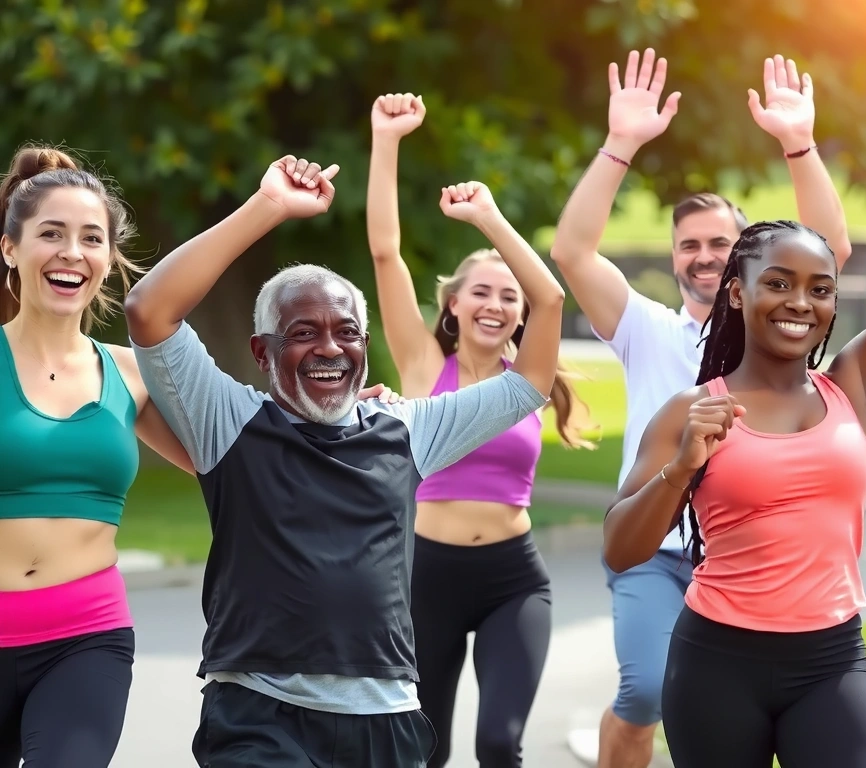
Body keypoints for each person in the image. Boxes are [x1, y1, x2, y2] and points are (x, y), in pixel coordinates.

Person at [602, 46, 866, 768]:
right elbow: (620, 548)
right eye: (779, 283)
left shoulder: (855, 385)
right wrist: (682, 466)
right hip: (716, 662)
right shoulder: (694, 407)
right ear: (739, 293)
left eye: (819, 288)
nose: (801, 303)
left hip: (830, 659)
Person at [123, 151, 566, 767]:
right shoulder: (229, 421)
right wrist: (269, 206)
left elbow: (541, 339)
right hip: (259, 713)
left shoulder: (409, 428)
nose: (329, 347)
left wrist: (490, 219)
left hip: (384, 717)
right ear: (261, 350)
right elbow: (149, 309)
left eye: (347, 332)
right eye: (303, 332)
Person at [551, 48, 853, 768]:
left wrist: (798, 143)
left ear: (747, 261)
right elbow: (571, 250)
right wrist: (622, 143)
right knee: (647, 691)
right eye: (689, 245)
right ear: (675, 257)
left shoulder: (781, 328)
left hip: (750, 557)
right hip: (658, 553)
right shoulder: (645, 328)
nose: (704, 255)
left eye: (721, 242)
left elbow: (831, 250)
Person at [366, 93, 593, 767]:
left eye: (507, 296)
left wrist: (491, 220)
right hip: (424, 576)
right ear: (453, 304)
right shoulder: (418, 363)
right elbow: (385, 253)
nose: (496, 304)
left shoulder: (529, 378)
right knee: (423, 751)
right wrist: (386, 141)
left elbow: (551, 295)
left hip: (511, 578)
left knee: (499, 743)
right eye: (481, 292)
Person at [0, 146, 195, 767]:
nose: (72, 252)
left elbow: (233, 457)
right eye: (50, 234)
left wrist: (340, 412)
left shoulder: (131, 374)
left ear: (108, 260)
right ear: (10, 248)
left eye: (91, 238)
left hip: (84, 638)